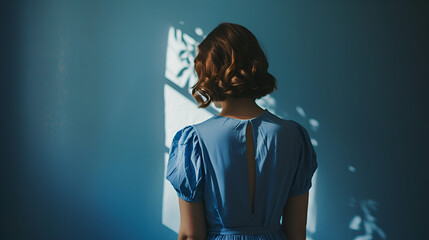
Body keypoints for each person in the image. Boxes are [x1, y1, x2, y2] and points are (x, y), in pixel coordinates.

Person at [166, 22, 318, 240]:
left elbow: (192, 234)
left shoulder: (194, 141)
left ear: (209, 72)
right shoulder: (294, 137)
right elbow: (296, 234)